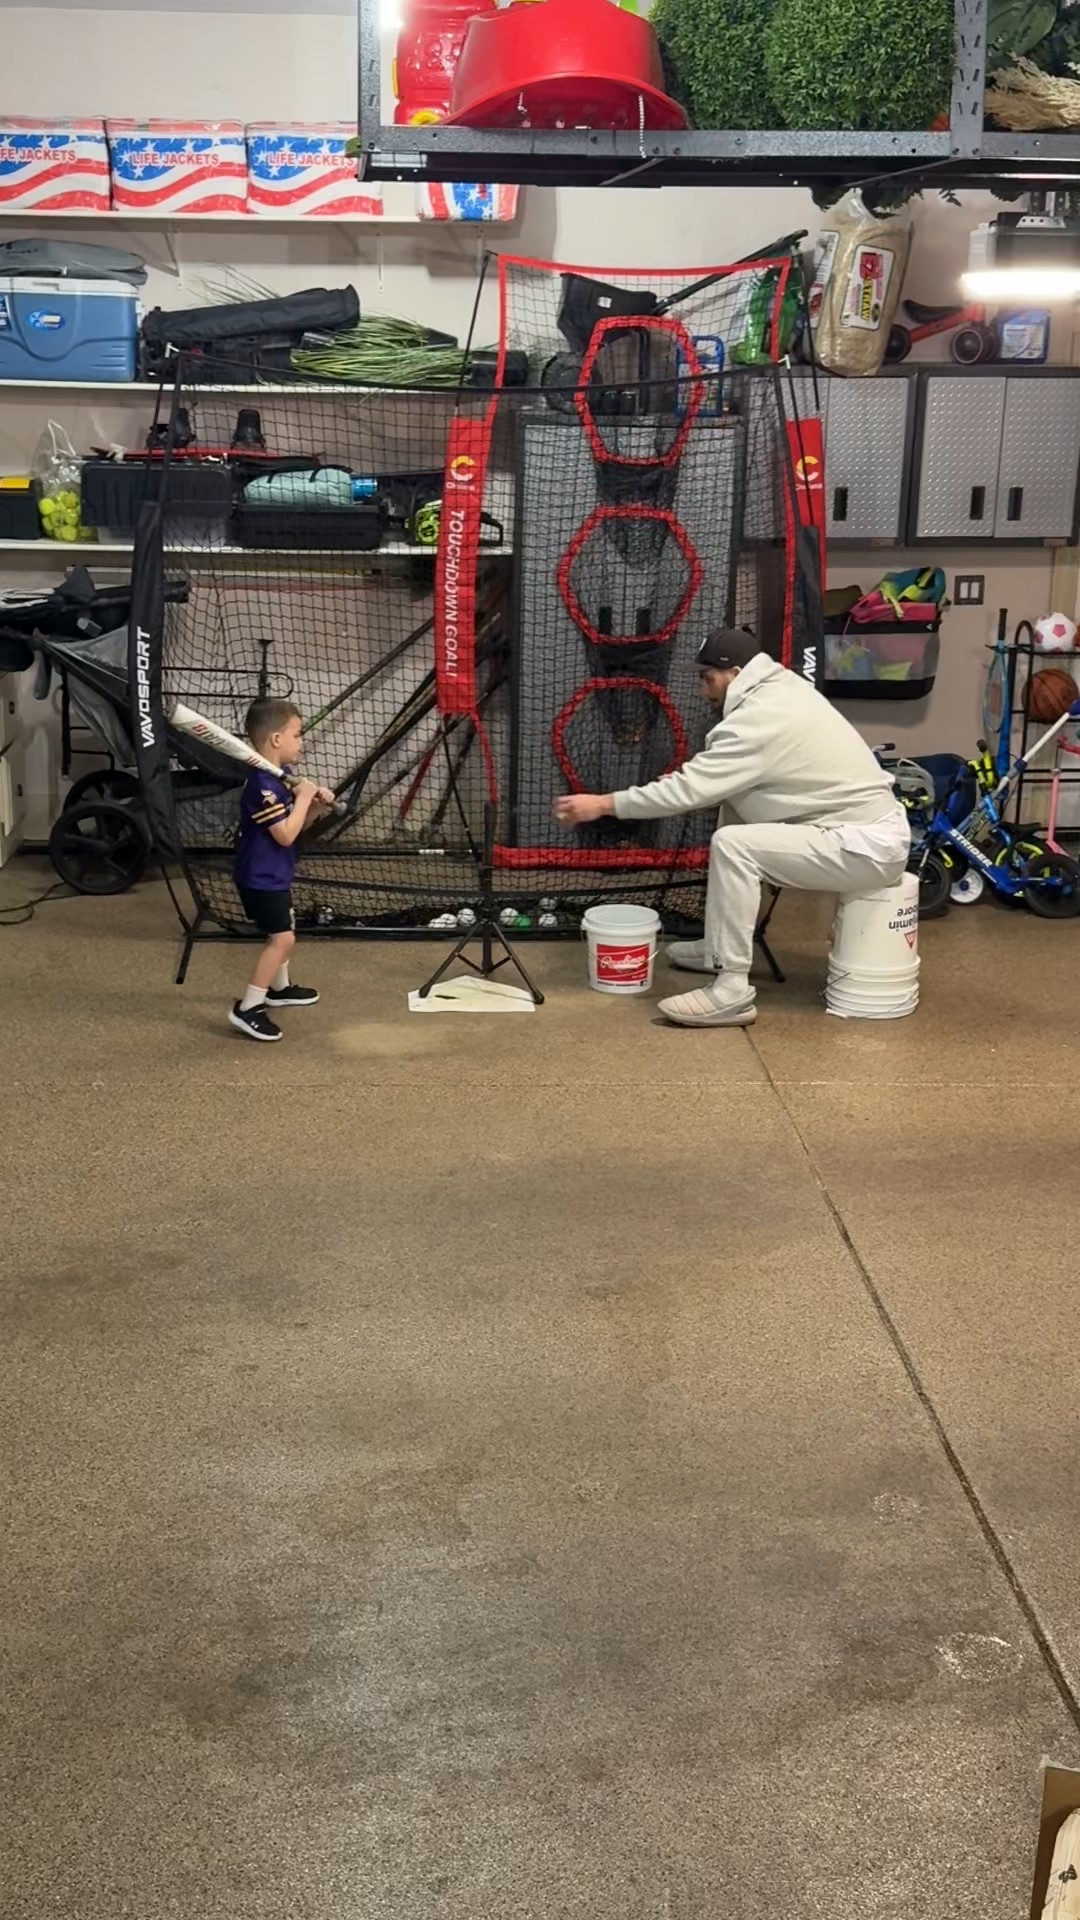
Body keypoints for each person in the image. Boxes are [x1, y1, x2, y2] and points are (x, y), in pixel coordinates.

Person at [554, 628, 910, 1029]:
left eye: (707, 679)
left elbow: (687, 790)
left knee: (734, 844)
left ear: (735, 673)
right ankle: (717, 949)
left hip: (863, 847)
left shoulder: (760, 719)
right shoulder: (779, 687)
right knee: (736, 805)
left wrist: (601, 804)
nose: (702, 690)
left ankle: (732, 992)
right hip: (848, 829)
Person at [229, 699, 335, 1043]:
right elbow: (285, 834)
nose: (300, 741)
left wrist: (314, 807)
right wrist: (303, 797)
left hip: (275, 873)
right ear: (275, 739)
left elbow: (296, 826)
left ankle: (279, 989)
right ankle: (248, 1007)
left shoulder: (280, 780)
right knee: (282, 938)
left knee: (285, 928)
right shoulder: (262, 786)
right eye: (297, 734)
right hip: (259, 878)